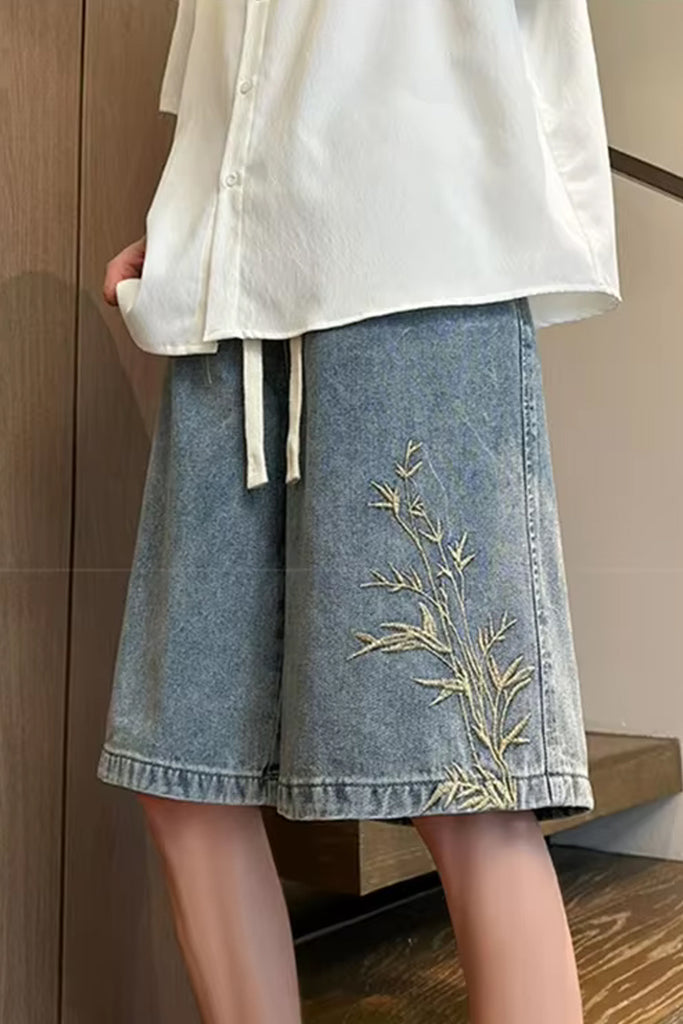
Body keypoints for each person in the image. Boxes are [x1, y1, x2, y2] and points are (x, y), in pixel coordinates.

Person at [99, 2, 620, 1022]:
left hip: (415, 265)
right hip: (230, 293)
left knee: (463, 783)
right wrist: (194, 224)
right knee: (186, 772)